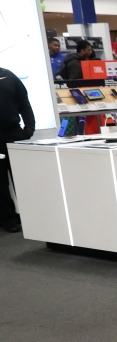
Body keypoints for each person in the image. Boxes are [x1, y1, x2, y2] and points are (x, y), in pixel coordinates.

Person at [0, 67, 35, 233]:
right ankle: (8, 219)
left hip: (14, 133)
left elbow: (24, 103)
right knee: (0, 182)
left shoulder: (8, 75)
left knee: (23, 178)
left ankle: (32, 216)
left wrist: (28, 130)